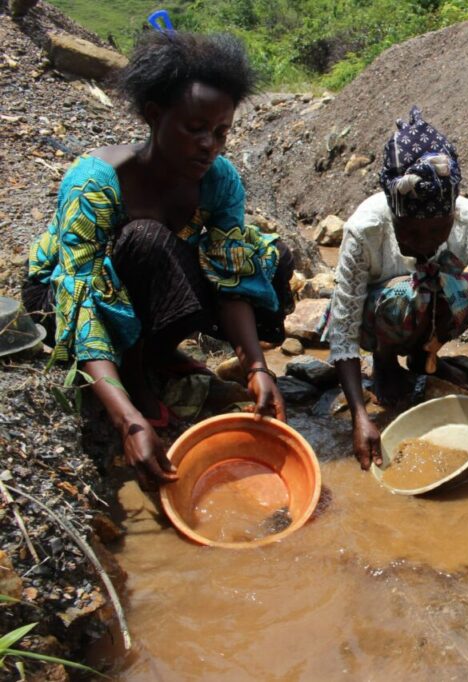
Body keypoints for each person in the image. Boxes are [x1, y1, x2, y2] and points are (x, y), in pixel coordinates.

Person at [22, 32, 294, 488]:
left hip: (145, 279)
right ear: (154, 116)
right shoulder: (96, 183)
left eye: (221, 132)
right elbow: (80, 301)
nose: (210, 144)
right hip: (64, 296)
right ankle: (134, 376)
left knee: (271, 259)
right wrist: (127, 420)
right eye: (196, 129)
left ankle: (156, 353)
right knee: (146, 240)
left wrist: (257, 368)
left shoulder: (219, 181)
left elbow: (230, 275)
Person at [324, 107, 468, 470]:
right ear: (394, 214)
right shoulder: (365, 229)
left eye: (437, 231)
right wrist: (359, 415)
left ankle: (425, 356)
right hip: (379, 312)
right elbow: (343, 329)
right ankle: (385, 361)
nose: (425, 242)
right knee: (405, 292)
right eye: (411, 232)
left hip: (428, 302)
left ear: (452, 214)